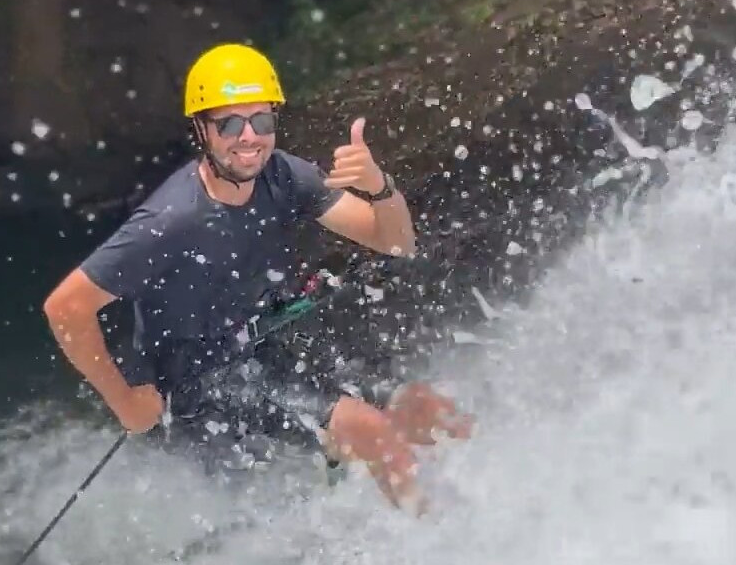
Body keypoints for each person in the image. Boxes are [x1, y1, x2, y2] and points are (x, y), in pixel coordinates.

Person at [42, 43, 473, 513]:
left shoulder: (284, 175)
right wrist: (126, 403)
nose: (249, 138)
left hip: (264, 342)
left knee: (427, 408)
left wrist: (379, 188)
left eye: (261, 121)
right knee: (371, 430)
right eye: (229, 123)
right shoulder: (171, 221)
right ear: (201, 130)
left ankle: (483, 511)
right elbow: (67, 307)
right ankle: (433, 544)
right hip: (199, 379)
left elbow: (396, 243)